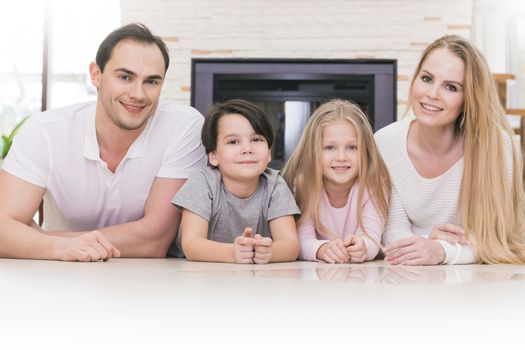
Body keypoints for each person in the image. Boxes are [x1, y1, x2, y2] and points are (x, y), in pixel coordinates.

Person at [0, 23, 206, 261]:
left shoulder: (183, 125)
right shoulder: (44, 131)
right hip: (61, 274)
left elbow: (155, 240)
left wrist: (47, 239)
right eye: (125, 77)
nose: (138, 94)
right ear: (96, 75)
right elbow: (3, 229)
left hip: (151, 280)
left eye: (151, 81)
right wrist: (61, 248)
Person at [375, 35, 525, 265]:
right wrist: (427, 243)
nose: (433, 94)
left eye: (451, 87)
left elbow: (498, 239)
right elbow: (392, 231)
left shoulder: (496, 146)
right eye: (426, 78)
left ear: (469, 99)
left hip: (480, 282)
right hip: (410, 275)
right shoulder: (384, 142)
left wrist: (442, 251)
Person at [172, 99, 300, 263]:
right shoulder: (202, 182)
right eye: (233, 142)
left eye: (256, 140)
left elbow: (291, 244)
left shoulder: (274, 184)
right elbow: (191, 245)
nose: (247, 149)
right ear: (213, 156)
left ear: (268, 153)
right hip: (200, 275)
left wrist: (270, 252)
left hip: (254, 276)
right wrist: (233, 252)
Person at [282, 99, 391, 263]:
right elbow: (302, 241)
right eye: (330, 148)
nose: (341, 157)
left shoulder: (373, 184)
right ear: (314, 151)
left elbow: (371, 237)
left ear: (366, 151)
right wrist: (322, 249)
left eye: (352, 147)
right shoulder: (303, 184)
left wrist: (363, 247)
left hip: (358, 279)